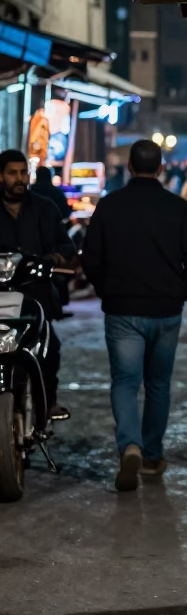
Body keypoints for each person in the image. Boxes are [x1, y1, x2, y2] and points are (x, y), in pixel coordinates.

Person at [82, 140, 187, 492]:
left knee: (124, 382)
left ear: (130, 168)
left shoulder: (109, 206)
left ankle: (130, 445)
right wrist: (179, 293)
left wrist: (107, 290)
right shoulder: (177, 207)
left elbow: (90, 259)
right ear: (161, 168)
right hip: (166, 310)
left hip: (122, 309)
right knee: (158, 384)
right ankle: (152, 454)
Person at [0, 150, 76, 419]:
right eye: (12, 173)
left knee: (49, 348)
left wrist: (53, 258)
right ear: (1, 176)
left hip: (36, 295)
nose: (19, 179)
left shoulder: (44, 208)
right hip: (2, 298)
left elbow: (67, 244)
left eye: (23, 172)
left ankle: (48, 402)